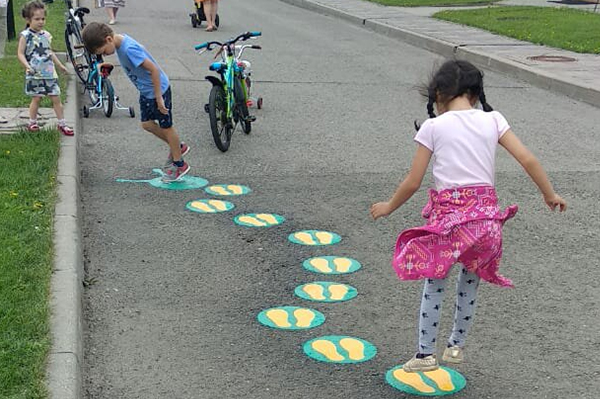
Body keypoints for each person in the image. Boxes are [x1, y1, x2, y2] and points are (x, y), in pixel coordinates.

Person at [370, 59, 566, 373]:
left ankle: (425, 356)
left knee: (435, 283)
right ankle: (456, 346)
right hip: (487, 225)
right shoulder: (493, 120)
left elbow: (413, 181)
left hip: (451, 224)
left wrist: (388, 205)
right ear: (474, 94)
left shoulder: (433, 127)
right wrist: (549, 193)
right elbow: (527, 158)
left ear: (439, 93)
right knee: (469, 283)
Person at [81, 22, 190, 182]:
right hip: (146, 91)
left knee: (166, 127)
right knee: (147, 124)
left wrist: (159, 98)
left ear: (109, 39)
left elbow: (154, 69)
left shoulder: (128, 49)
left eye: (104, 51)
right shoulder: (118, 43)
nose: (105, 55)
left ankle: (179, 164)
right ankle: (177, 147)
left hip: (157, 91)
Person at [17, 1, 74, 136]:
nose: (41, 22)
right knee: (36, 98)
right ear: (28, 19)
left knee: (56, 98)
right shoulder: (25, 36)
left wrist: (60, 66)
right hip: (34, 73)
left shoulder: (46, 35)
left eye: (43, 18)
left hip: (49, 73)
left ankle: (62, 123)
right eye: (37, 19)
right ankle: (32, 122)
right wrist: (27, 66)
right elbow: (20, 53)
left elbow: (49, 52)